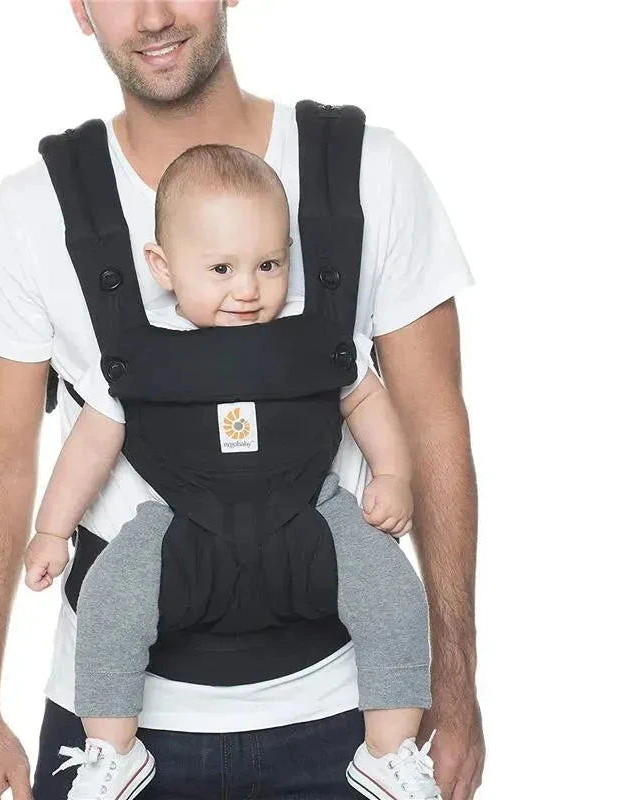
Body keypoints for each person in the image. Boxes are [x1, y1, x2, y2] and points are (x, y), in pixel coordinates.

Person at [0, 2, 484, 799]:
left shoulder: (368, 173)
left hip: (351, 712)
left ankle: (388, 749)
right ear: (80, 9)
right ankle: (111, 748)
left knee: (378, 586)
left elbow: (434, 422)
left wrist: (456, 685)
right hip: (109, 729)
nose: (153, 15)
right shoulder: (32, 214)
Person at [23, 143, 439, 800]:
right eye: (221, 269)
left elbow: (364, 398)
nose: (248, 289)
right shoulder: (140, 353)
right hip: (182, 530)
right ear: (162, 266)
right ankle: (111, 748)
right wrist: (52, 530)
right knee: (108, 599)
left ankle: (389, 750)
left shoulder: (317, 336)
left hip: (313, 520)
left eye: (269, 265)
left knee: (392, 592)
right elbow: (90, 444)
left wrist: (392, 474)